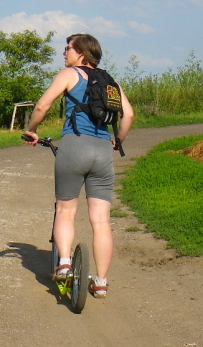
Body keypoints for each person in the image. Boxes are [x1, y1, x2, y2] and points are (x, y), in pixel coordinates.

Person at [23, 33, 134, 299]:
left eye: (68, 48)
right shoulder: (111, 81)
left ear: (81, 53)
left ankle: (64, 263)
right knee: (101, 221)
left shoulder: (69, 74)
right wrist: (117, 142)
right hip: (102, 151)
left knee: (65, 210)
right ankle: (101, 282)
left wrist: (31, 130)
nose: (64, 52)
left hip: (75, 146)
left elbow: (42, 105)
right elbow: (128, 115)